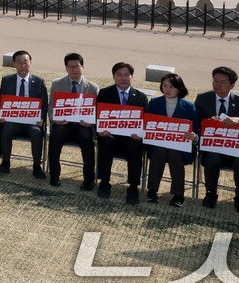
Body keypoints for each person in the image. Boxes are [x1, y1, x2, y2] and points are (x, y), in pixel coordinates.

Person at [194, 66, 239, 214]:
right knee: (212, 159)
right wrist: (207, 122)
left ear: (232, 85)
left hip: (236, 149)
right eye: (215, 81)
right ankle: (210, 193)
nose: (217, 84)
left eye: (222, 82)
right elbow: (195, 124)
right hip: (213, 147)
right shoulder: (203, 99)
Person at [96, 62, 148, 204]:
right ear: (113, 77)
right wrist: (100, 131)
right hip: (109, 136)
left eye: (126, 75)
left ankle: (133, 187)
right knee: (106, 142)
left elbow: (146, 122)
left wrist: (141, 134)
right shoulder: (105, 93)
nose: (123, 78)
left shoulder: (140, 97)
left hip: (131, 138)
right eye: (119, 75)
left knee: (135, 145)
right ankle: (104, 182)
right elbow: (97, 117)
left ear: (132, 77)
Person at [144, 73, 199, 207]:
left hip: (181, 148)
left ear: (179, 89)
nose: (167, 89)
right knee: (159, 151)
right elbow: (146, 125)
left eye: (172, 87)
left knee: (174, 153)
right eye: (165, 86)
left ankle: (178, 195)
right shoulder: (154, 103)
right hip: (158, 145)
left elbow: (197, 131)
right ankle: (152, 191)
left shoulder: (189, 106)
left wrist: (194, 137)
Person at [48, 53, 99, 189]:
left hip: (83, 125)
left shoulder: (93, 87)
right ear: (66, 68)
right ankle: (54, 176)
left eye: (77, 66)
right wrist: (54, 119)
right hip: (63, 124)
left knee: (86, 137)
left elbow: (96, 110)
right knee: (55, 135)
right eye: (71, 67)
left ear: (83, 67)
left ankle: (89, 180)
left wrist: (91, 122)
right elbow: (52, 105)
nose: (74, 69)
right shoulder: (57, 84)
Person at [0, 50, 47, 178]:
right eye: (19, 62)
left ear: (30, 63)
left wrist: (41, 118)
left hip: (31, 123)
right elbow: (2, 102)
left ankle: (37, 166)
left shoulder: (39, 82)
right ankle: (5, 162)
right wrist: (1, 115)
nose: (22, 64)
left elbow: (44, 105)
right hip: (13, 121)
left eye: (25, 61)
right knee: (7, 127)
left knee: (36, 132)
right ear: (14, 64)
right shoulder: (6, 80)